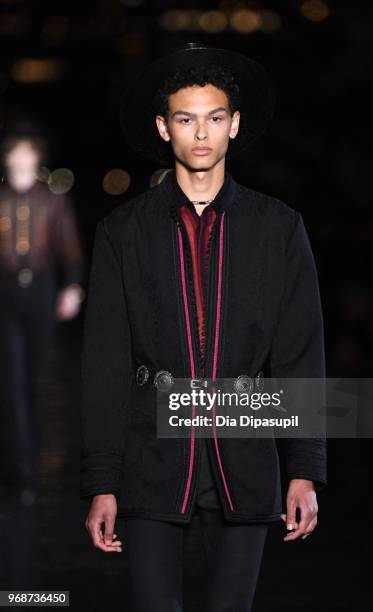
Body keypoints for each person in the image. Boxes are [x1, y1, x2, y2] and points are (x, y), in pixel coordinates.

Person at [80, 43, 327, 611]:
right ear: (163, 128)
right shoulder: (123, 232)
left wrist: (305, 470)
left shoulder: (278, 228)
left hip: (244, 454)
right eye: (186, 119)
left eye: (215, 118)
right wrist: (102, 482)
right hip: (150, 459)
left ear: (234, 125)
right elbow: (105, 363)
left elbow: (300, 352)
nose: (201, 134)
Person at [0, 124, 84, 504]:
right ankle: (19, 464)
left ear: (35, 159)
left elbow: (68, 245)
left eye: (26, 153)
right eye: (15, 153)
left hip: (40, 290)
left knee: (35, 379)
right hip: (4, 292)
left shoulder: (52, 199)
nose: (20, 160)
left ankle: (30, 452)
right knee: (11, 379)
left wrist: (72, 286)